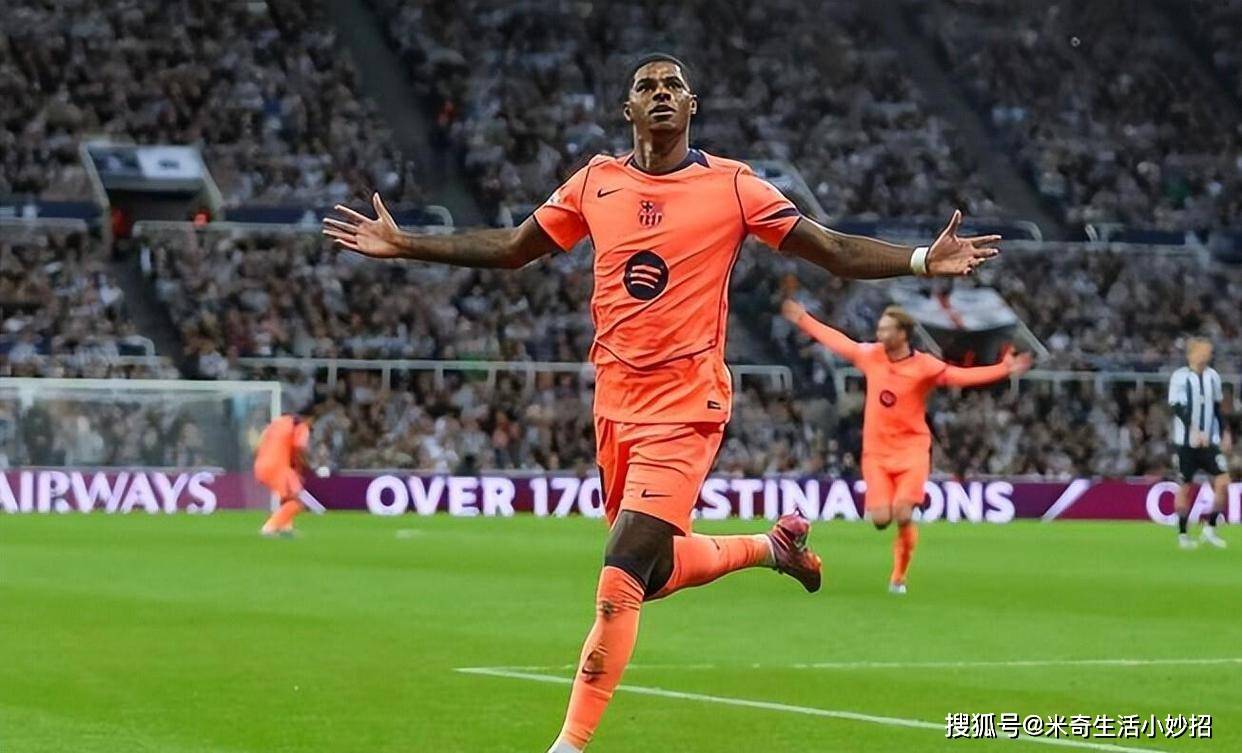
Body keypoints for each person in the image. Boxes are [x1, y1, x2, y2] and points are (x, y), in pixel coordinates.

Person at [323, 53, 1001, 752]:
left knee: (619, 574)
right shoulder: (596, 182)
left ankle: (568, 744)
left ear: (692, 105)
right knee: (651, 574)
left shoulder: (733, 185)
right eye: (646, 86)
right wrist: (407, 244)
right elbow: (513, 247)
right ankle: (771, 548)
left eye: (673, 85)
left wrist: (921, 260)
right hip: (616, 405)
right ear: (629, 110)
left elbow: (829, 249)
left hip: (687, 405)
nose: (661, 94)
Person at [782, 301, 1030, 594]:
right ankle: (898, 549)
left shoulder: (925, 366)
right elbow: (839, 342)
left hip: (912, 450)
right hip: (876, 452)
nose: (879, 334)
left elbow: (959, 376)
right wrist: (804, 319)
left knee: (902, 513)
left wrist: (1002, 369)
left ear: (902, 334)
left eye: (886, 329)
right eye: (880, 329)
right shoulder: (871, 356)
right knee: (880, 519)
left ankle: (898, 577)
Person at [1168, 338, 1231, 549]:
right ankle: (1183, 534)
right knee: (1185, 487)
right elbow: (1177, 408)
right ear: (1192, 354)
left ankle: (1210, 529)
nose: (1208, 355)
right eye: (1204, 351)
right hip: (1186, 443)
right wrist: (1194, 430)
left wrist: (1225, 432)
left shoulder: (1213, 376)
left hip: (1209, 442)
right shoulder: (1180, 377)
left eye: (1209, 351)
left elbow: (1216, 408)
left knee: (1223, 482)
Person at [254, 414, 325, 537]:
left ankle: (285, 527)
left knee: (286, 499)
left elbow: (257, 446)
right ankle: (270, 527)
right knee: (296, 501)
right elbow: (299, 447)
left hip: (261, 465)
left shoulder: (274, 425)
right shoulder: (300, 425)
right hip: (278, 467)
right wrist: (307, 465)